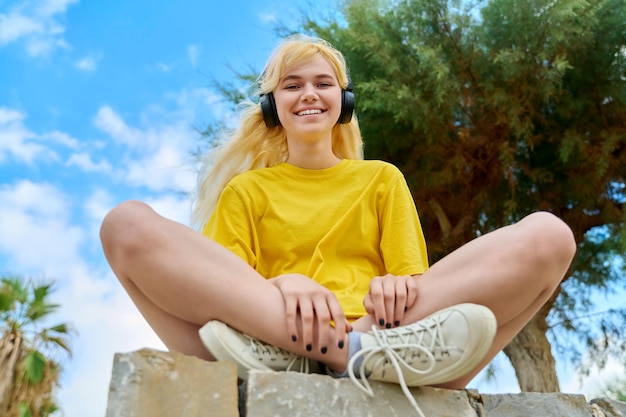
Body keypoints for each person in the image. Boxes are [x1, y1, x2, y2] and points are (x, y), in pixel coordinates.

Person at [100, 35, 576, 415]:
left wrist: (393, 287)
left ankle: (351, 349)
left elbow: (415, 285)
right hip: (261, 343)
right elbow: (226, 291)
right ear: (272, 106)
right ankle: (336, 351)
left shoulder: (380, 179)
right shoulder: (247, 192)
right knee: (125, 225)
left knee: (550, 236)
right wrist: (285, 283)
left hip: (394, 343)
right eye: (292, 85)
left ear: (342, 99)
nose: (309, 93)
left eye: (323, 83)